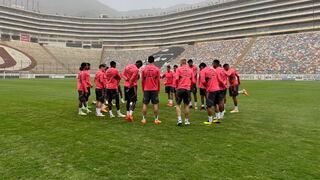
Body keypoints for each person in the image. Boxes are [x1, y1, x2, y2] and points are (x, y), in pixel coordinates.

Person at [141, 56, 161, 125]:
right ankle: (156, 119)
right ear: (153, 60)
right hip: (154, 89)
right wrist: (158, 89)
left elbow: (142, 80)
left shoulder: (144, 69)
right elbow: (158, 80)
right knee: (155, 104)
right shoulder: (157, 69)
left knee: (145, 104)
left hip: (146, 89)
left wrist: (143, 88)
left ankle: (144, 119)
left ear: (148, 60)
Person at [175, 59, 195, 126]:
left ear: (181, 62)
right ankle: (186, 121)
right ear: (186, 63)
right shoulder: (190, 70)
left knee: (178, 104)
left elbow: (177, 79)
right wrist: (189, 85)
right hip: (187, 89)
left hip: (180, 88)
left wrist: (177, 86)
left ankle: (179, 120)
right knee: (186, 105)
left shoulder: (178, 69)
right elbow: (193, 81)